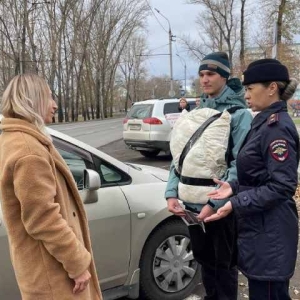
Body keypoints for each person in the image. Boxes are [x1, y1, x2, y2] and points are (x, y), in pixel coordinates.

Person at [0, 74, 102, 300]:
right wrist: (76, 263)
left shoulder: (19, 139)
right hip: (53, 275)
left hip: (43, 268)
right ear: (32, 101)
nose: (55, 104)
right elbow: (43, 219)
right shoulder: (29, 151)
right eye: (48, 97)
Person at [206, 59, 299, 300]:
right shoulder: (263, 122)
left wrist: (236, 203)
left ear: (272, 88)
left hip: (271, 234)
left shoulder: (277, 129)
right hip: (260, 231)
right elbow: (259, 175)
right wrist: (233, 186)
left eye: (250, 88)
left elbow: (282, 186)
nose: (245, 95)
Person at [165, 51, 253, 300]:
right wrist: (172, 191)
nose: (204, 79)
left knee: (224, 266)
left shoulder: (239, 114)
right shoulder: (197, 111)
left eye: (211, 74)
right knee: (204, 261)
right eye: (202, 74)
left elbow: (240, 163)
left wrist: (215, 203)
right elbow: (180, 157)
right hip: (192, 206)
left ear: (224, 77)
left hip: (220, 208)